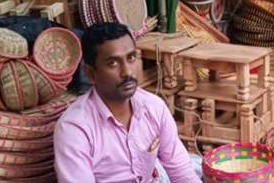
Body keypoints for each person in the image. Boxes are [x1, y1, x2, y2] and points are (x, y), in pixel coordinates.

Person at [54, 23, 201, 183]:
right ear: (91, 74)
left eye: (131, 58)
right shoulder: (74, 128)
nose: (128, 72)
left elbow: (182, 173)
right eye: (113, 63)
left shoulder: (154, 108)